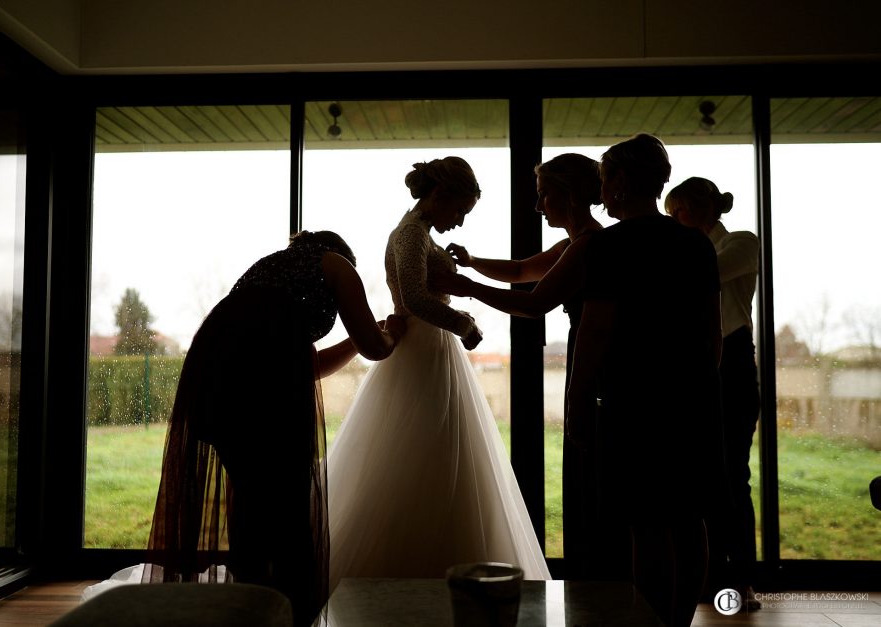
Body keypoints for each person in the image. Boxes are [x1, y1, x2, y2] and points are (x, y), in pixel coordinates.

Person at [137, 230, 405, 627]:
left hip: (216, 372)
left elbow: (307, 366)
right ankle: (290, 603)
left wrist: (355, 341)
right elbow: (375, 348)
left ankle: (254, 600)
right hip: (264, 384)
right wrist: (391, 335)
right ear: (340, 253)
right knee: (288, 493)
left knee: (249, 487)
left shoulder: (271, 269)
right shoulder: (338, 266)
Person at [326, 156, 550, 591]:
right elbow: (413, 299)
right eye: (460, 211)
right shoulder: (410, 234)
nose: (460, 221)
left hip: (433, 351)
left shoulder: (420, 234)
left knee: (445, 453)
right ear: (439, 196)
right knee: (420, 453)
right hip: (422, 350)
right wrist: (466, 324)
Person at [442, 153, 627, 580]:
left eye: (544, 195)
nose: (540, 206)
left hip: (599, 372)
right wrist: (472, 264)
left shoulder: (589, 246)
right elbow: (523, 271)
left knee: (594, 487)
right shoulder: (575, 243)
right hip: (593, 366)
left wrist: (465, 287)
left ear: (567, 194)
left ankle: (599, 588)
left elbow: (534, 302)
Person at [567, 134, 726, 627]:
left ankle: (653, 623)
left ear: (618, 182)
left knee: (647, 523)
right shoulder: (694, 242)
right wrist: (699, 387)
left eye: (602, 181)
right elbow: (712, 332)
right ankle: (678, 622)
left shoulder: (610, 246)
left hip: (634, 399)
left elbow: (595, 331)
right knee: (689, 516)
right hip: (694, 395)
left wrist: (576, 403)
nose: (600, 193)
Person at [665, 176, 761, 605]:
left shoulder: (741, 242)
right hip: (692, 360)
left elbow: (704, 273)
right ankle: (702, 575)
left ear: (699, 209)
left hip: (735, 363)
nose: (674, 223)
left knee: (733, 474)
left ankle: (739, 580)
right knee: (695, 473)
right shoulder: (687, 250)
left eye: (677, 213)